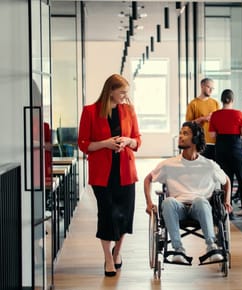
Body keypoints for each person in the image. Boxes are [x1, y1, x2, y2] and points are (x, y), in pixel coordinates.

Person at [78, 73, 141, 277]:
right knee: (107, 215)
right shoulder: (90, 111)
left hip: (125, 171)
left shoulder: (129, 110)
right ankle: (107, 258)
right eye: (121, 92)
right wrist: (105, 143)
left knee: (124, 215)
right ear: (110, 91)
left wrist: (127, 141)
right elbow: (83, 144)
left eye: (126, 92)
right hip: (102, 174)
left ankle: (117, 252)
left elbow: (137, 139)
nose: (125, 96)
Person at [144, 122, 232, 265]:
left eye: (185, 133)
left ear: (196, 138)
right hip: (178, 208)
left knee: (200, 200)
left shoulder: (208, 165)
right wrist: (149, 203)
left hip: (200, 208)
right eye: (180, 133)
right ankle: (178, 250)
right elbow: (148, 179)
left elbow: (226, 180)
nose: (180, 136)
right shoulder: (169, 164)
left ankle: (211, 247)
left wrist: (227, 201)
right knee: (168, 201)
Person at [209, 89, 242, 220]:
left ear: (222, 99)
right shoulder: (238, 114)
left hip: (220, 149)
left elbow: (212, 135)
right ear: (232, 100)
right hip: (236, 149)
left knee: (225, 179)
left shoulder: (215, 115)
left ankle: (227, 210)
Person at [185, 77, 220, 160]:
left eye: (212, 88)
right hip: (199, 142)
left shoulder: (215, 103)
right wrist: (203, 119)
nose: (211, 90)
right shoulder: (193, 104)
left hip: (214, 142)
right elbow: (188, 125)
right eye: (208, 87)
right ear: (202, 86)